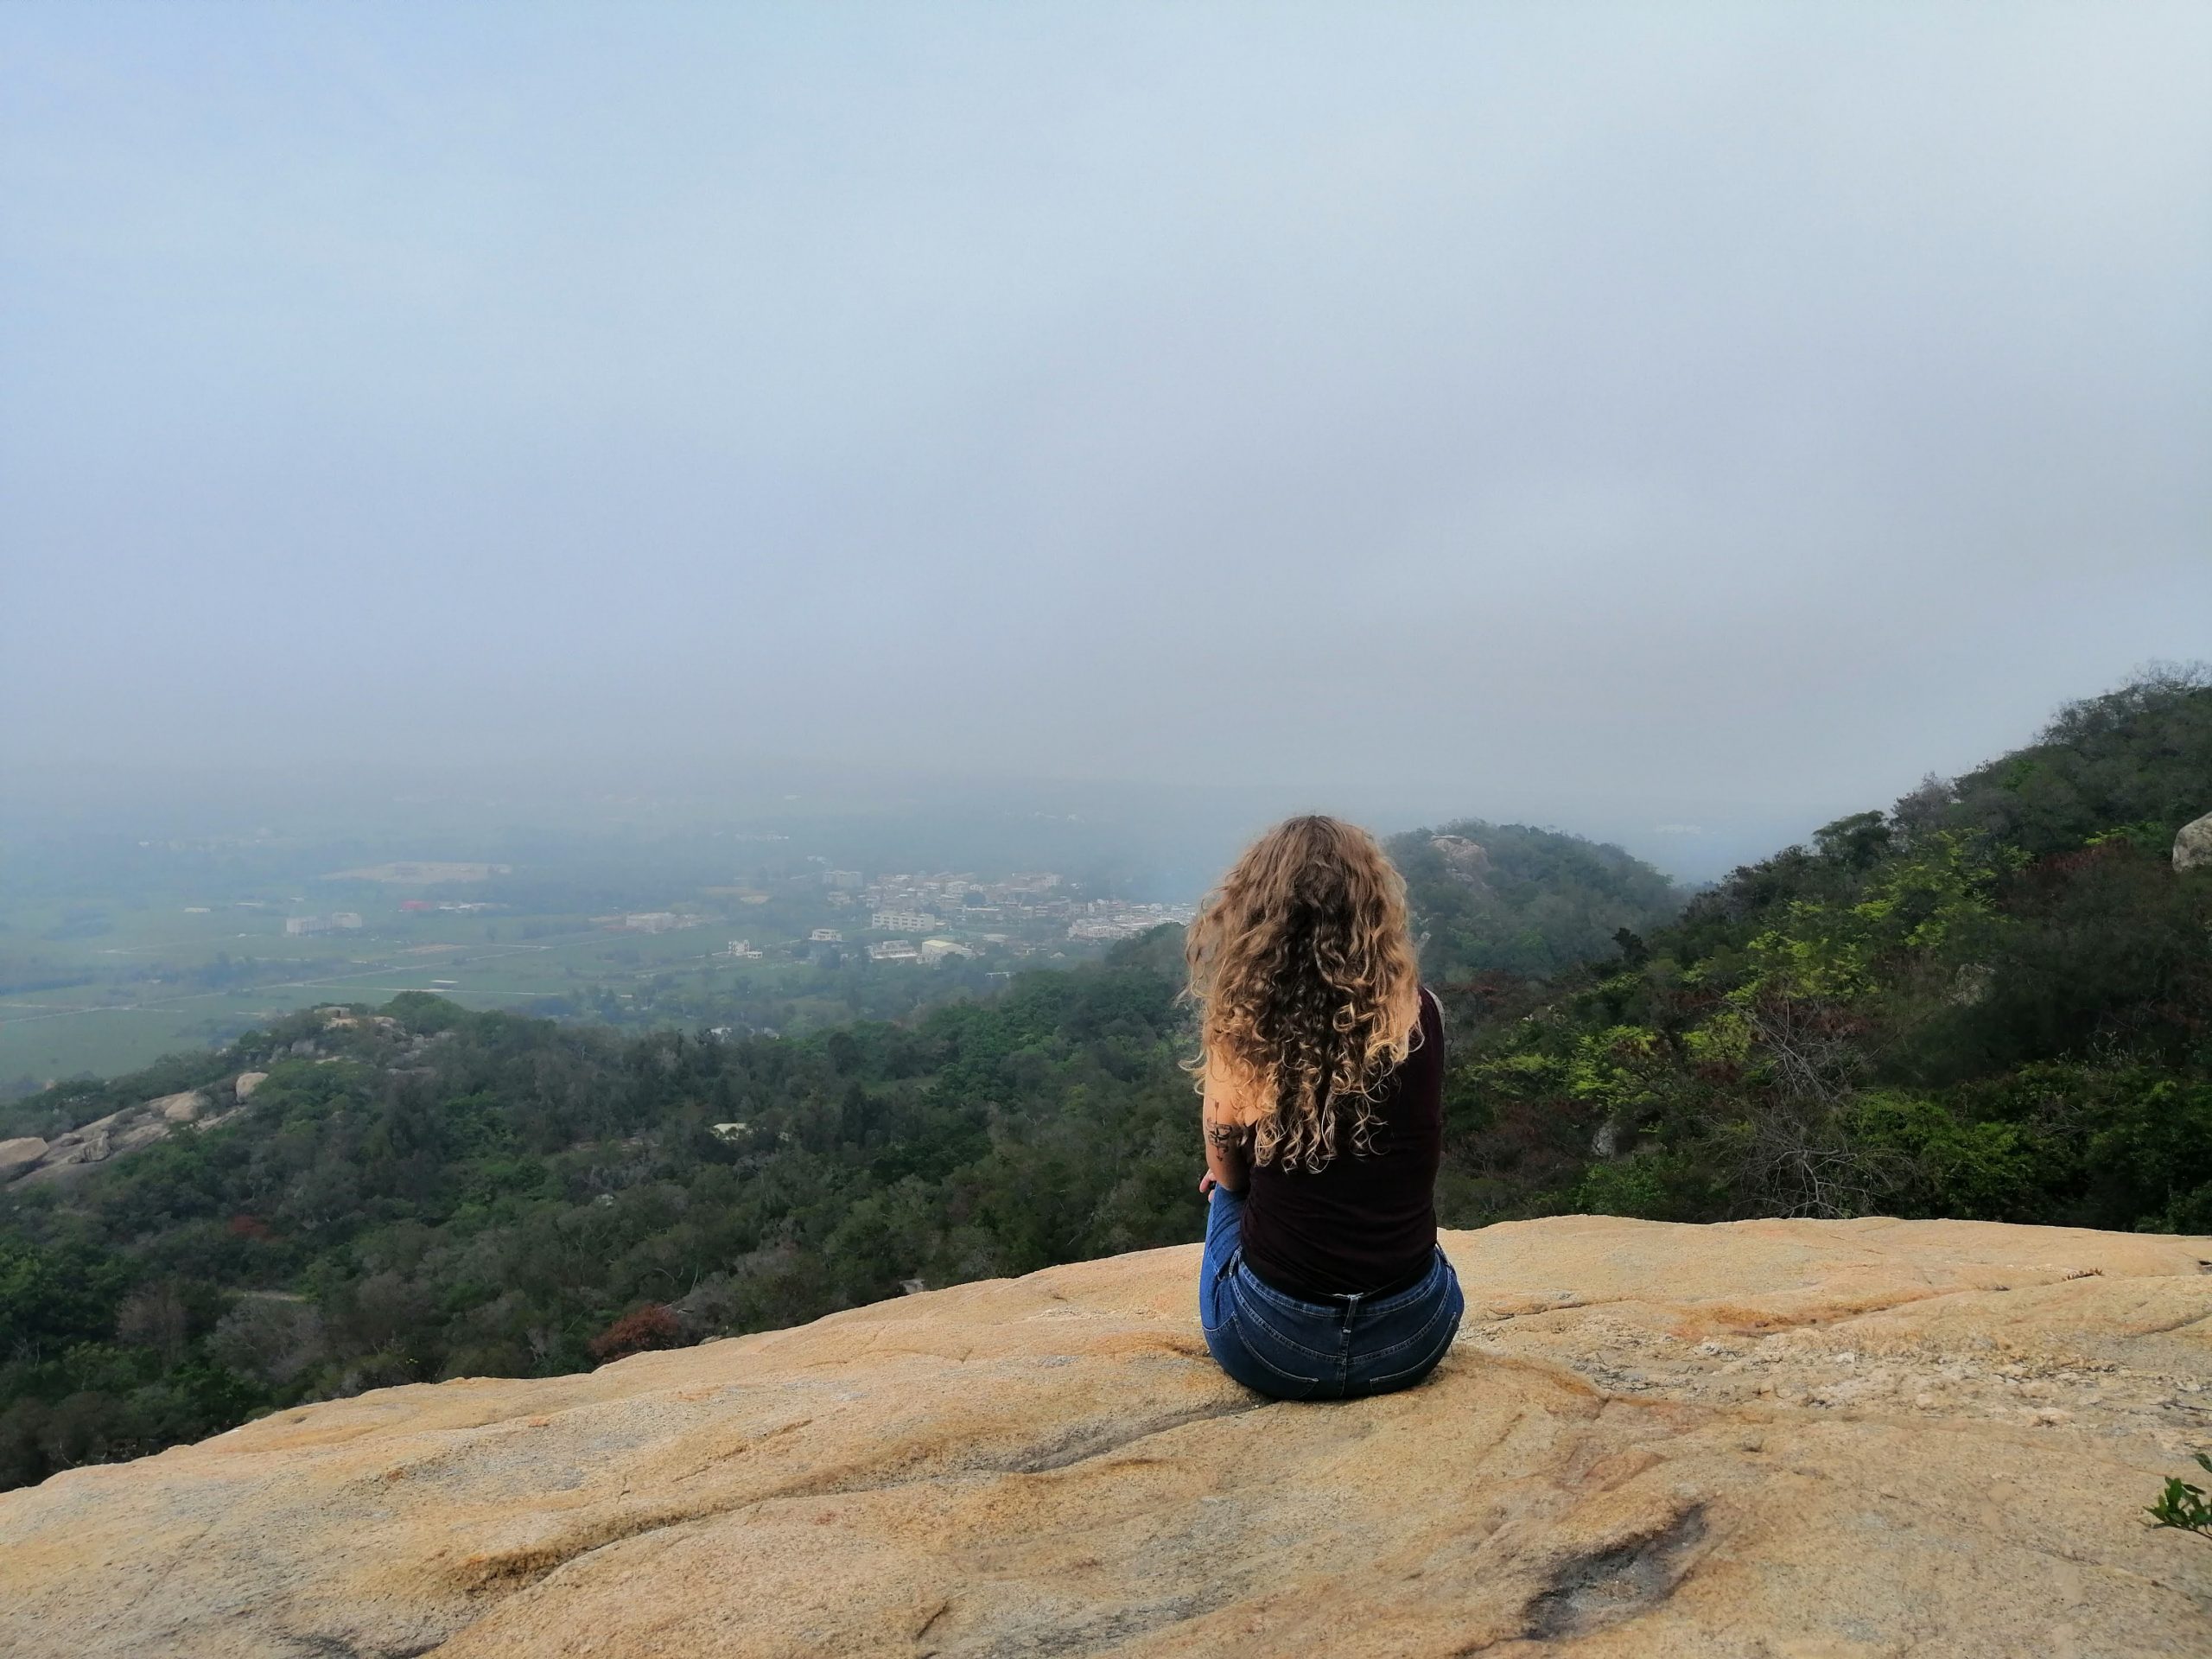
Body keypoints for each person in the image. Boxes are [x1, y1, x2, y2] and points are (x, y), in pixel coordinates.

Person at [1185, 814, 1463, 1400]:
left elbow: (1229, 1170)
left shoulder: (1243, 1028)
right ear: (1370, 907)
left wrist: (1240, 1165)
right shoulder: (1421, 1012)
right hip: (1415, 1335)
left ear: (1257, 915)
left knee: (1226, 1185)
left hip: (1271, 1346)